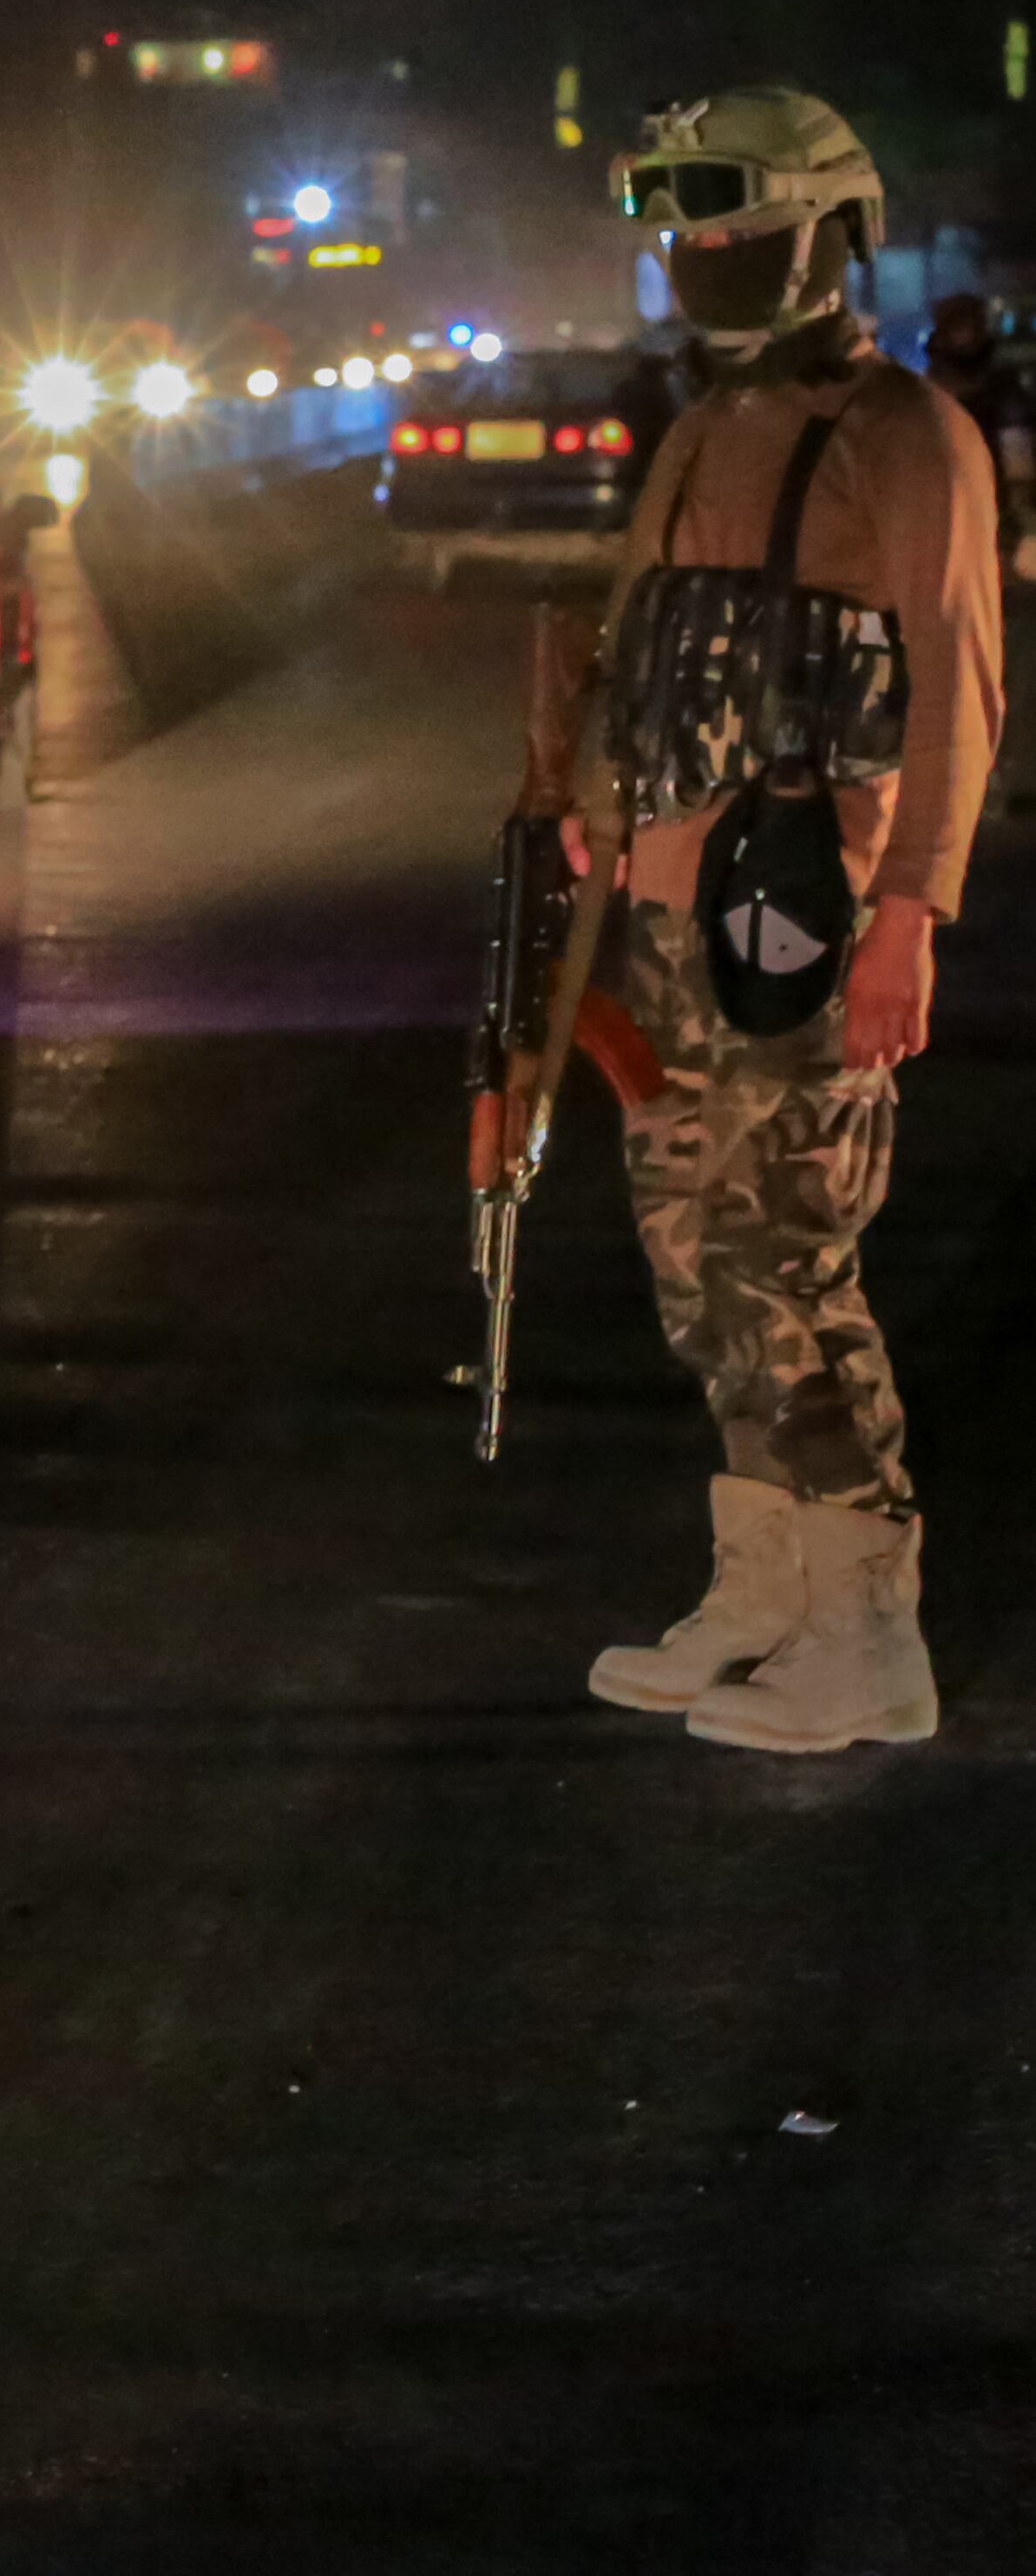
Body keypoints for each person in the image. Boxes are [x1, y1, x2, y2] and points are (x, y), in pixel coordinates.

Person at [564, 89, 1004, 1750]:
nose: (710, 259)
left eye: (744, 229)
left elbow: (961, 686)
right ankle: (761, 1590)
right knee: (696, 1269)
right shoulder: (698, 428)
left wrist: (914, 913)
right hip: (665, 914)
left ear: (831, 233)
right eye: (690, 231)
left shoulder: (911, 438)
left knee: (789, 1260)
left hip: (809, 926)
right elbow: (640, 652)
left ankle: (869, 1637)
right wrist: (582, 854)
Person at [921, 291, 1035, 642]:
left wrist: (1025, 529)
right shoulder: (926, 398)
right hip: (940, 537)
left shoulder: (1003, 395)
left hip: (995, 535)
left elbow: (1019, 468)